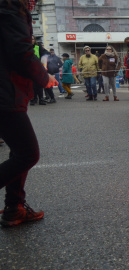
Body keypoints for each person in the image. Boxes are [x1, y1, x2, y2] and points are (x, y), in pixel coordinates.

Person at [0, 0, 58, 227]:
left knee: (19, 152)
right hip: (6, 93)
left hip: (10, 90)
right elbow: (21, 52)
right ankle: (14, 207)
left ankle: (14, 208)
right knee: (27, 154)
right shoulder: (10, 11)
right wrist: (45, 78)